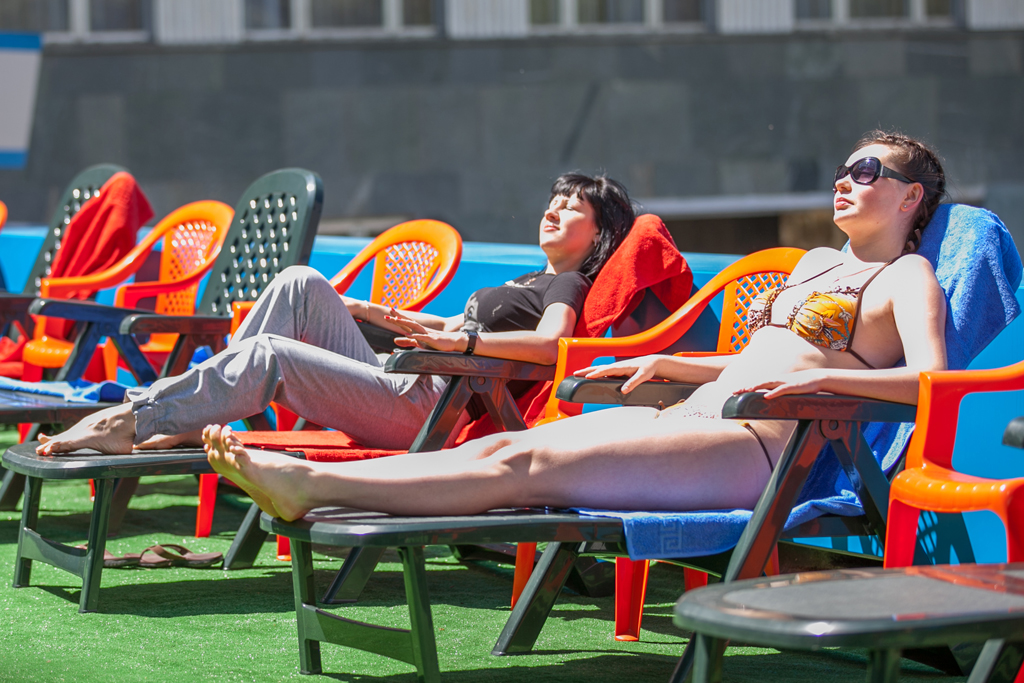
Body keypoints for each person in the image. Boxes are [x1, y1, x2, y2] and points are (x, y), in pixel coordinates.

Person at [202, 130, 950, 522]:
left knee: (524, 470)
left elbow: (932, 383)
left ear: (910, 196)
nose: (845, 181)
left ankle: (311, 486)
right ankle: (311, 486)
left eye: (867, 172)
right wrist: (670, 365)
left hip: (760, 446)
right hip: (697, 413)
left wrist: (828, 381)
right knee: (500, 446)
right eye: (844, 169)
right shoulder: (815, 263)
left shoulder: (906, 277)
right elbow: (757, 360)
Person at [36, 173, 636, 455]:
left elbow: (552, 346)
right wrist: (374, 311)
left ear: (600, 233)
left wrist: (466, 347)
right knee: (301, 282)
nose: (552, 210)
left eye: (571, 208)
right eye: (552, 200)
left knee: (270, 355)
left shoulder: (568, 283)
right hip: (408, 378)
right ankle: (182, 413)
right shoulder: (526, 281)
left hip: (430, 408)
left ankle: (136, 419)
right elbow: (451, 329)